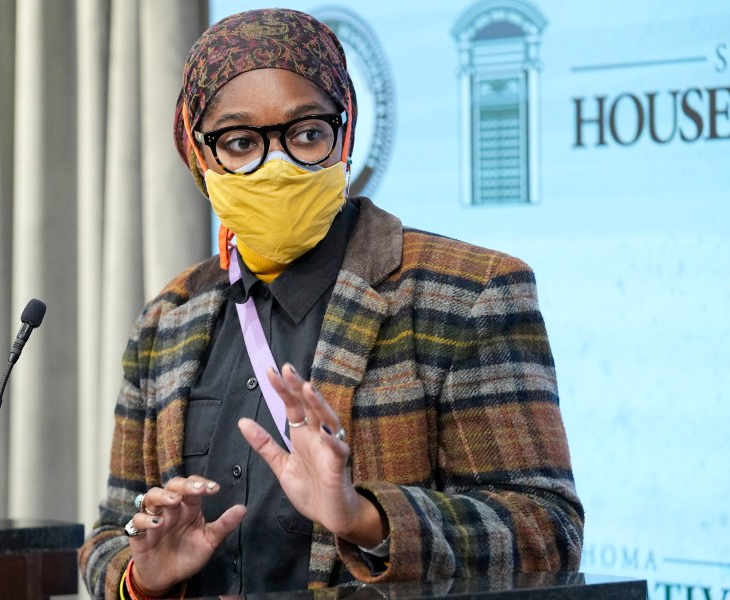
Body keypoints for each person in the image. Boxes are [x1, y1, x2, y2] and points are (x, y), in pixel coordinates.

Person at [79, 8, 583, 600]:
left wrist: (365, 517)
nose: (279, 165)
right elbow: (113, 531)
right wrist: (142, 576)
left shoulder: (471, 292)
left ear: (343, 135)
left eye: (307, 134)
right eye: (240, 143)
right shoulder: (169, 318)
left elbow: (547, 533)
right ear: (199, 154)